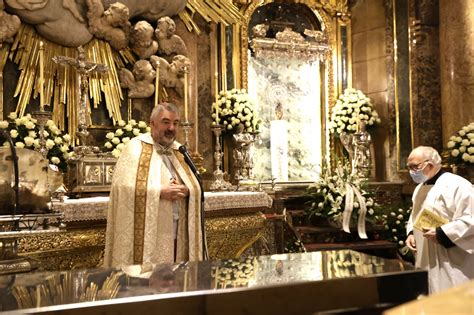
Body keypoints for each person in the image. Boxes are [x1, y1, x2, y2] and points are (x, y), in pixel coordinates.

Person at [104, 103, 205, 267]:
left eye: (176, 123)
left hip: (179, 232)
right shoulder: (135, 148)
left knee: (177, 277)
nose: (171, 128)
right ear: (152, 123)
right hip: (151, 233)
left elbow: (195, 184)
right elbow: (122, 188)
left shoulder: (179, 150)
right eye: (166, 122)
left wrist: (187, 190)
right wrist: (159, 191)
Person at [405, 146, 474, 294]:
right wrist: (411, 233)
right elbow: (415, 215)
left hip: (451, 258)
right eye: (409, 167)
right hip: (424, 255)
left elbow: (471, 218)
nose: (411, 171)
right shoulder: (419, 189)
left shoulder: (457, 185)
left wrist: (442, 233)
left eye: (415, 166)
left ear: (430, 164)